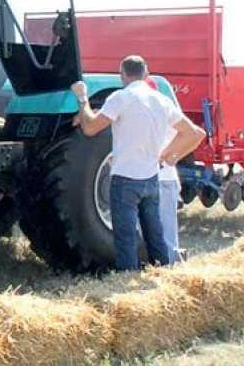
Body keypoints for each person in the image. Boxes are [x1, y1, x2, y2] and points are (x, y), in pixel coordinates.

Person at [71, 55, 205, 271]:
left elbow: (90, 128)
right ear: (146, 73)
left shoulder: (121, 97)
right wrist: (168, 155)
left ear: (122, 74)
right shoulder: (162, 101)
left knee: (125, 240)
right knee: (156, 236)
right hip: (151, 179)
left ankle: (127, 278)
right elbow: (193, 133)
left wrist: (82, 99)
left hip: (125, 179)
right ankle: (163, 274)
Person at [146, 76, 184, 264]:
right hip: (164, 177)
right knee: (163, 228)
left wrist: (163, 157)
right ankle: (165, 263)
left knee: (164, 230)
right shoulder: (167, 110)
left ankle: (170, 265)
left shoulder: (156, 113)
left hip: (162, 177)